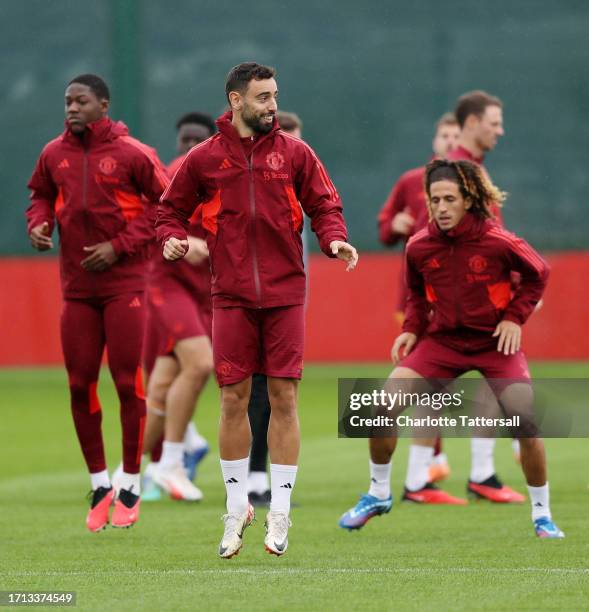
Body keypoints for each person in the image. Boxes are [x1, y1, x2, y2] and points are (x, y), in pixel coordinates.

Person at [157, 62, 358, 558]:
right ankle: (235, 506)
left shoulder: (296, 153)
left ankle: (281, 512)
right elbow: (167, 210)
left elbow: (325, 206)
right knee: (233, 400)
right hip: (229, 296)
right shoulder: (203, 160)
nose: (272, 105)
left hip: (287, 294)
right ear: (236, 101)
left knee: (285, 399)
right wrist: (171, 239)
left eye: (274, 96)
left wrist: (334, 242)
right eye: (263, 97)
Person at [340, 159, 563, 539]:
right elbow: (413, 291)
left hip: (494, 344)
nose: (441, 208)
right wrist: (412, 329)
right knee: (380, 407)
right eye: (434, 200)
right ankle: (378, 493)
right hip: (442, 343)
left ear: (468, 200)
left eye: (449, 199)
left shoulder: (498, 240)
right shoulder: (419, 246)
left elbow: (538, 273)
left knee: (525, 424)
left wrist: (514, 317)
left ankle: (542, 515)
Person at [26, 74, 169, 531]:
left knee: (128, 383)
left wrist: (120, 245)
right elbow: (41, 195)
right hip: (76, 288)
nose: (71, 108)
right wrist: (40, 223)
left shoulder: (133, 153)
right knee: (78, 383)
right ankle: (100, 482)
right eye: (67, 101)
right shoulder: (54, 153)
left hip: (125, 284)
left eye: (80, 101)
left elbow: (166, 205)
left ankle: (130, 481)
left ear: (103, 105)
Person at [121, 112, 217, 503]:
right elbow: (155, 217)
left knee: (161, 386)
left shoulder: (228, 174)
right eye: (184, 139)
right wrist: (178, 239)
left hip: (206, 292)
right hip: (168, 283)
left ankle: (127, 473)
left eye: (198, 139)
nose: (189, 147)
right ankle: (171, 463)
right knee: (200, 364)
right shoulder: (178, 170)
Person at [377, 113, 461, 501]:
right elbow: (384, 227)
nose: (449, 140)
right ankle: (418, 475)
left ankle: (423, 469)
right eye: (445, 133)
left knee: (435, 385)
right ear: (436, 138)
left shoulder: (471, 184)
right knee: (422, 383)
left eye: (455, 135)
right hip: (416, 298)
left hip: (458, 300)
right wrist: (394, 225)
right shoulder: (412, 181)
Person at [446, 91, 525, 503]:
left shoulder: (473, 169)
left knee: (494, 380)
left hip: (482, 294)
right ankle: (405, 481)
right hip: (469, 298)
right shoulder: (459, 172)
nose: (500, 130)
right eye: (494, 122)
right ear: (473, 123)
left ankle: (480, 471)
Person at [247, 110, 305, 507]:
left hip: (286, 289)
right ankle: (250, 478)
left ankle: (262, 481)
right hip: (241, 293)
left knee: (277, 389)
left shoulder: (300, 175)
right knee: (252, 389)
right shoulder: (251, 172)